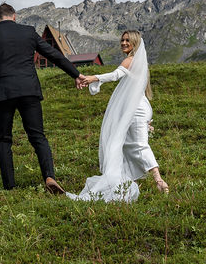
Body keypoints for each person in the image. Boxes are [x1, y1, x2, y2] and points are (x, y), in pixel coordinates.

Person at [0, 2, 88, 193]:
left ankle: (10, 187)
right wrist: (76, 74)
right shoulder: (28, 32)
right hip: (29, 90)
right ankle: (49, 176)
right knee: (38, 137)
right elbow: (54, 54)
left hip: (3, 93)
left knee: (4, 140)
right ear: (15, 16)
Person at [69, 30, 168, 202]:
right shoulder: (139, 62)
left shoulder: (130, 60)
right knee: (127, 144)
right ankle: (128, 182)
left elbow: (115, 75)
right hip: (139, 108)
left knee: (138, 144)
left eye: (127, 40)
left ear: (135, 42)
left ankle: (159, 180)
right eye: (122, 40)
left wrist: (94, 78)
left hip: (136, 109)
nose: (123, 43)